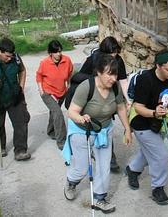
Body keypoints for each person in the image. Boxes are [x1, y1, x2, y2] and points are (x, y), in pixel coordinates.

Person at [62, 53, 132, 214]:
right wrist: (81, 118)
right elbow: (71, 112)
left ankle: (100, 198)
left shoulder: (115, 87)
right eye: (109, 74)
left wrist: (127, 129)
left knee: (103, 165)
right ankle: (71, 182)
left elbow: (120, 107)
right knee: (81, 168)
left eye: (115, 74)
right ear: (99, 72)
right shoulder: (86, 87)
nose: (113, 78)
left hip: (103, 130)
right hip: (82, 131)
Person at [125, 49, 168, 206]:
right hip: (141, 123)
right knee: (161, 155)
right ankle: (158, 188)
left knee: (149, 150)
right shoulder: (145, 80)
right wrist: (154, 113)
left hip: (160, 121)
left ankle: (133, 170)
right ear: (158, 66)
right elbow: (138, 107)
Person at [79, 36, 129, 172]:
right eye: (111, 53)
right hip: (92, 99)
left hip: (109, 97)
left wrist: (128, 99)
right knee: (92, 127)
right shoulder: (94, 59)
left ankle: (110, 157)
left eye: (116, 53)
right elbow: (81, 77)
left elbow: (123, 81)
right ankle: (86, 154)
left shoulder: (118, 60)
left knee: (105, 125)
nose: (114, 56)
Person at [36, 40, 74, 150]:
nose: (59, 54)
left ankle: (51, 130)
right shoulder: (44, 63)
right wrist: (41, 90)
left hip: (61, 91)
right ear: (50, 53)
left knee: (54, 112)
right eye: (56, 52)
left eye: (60, 51)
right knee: (58, 113)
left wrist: (68, 84)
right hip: (47, 92)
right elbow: (39, 76)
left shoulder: (67, 60)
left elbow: (70, 72)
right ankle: (62, 141)